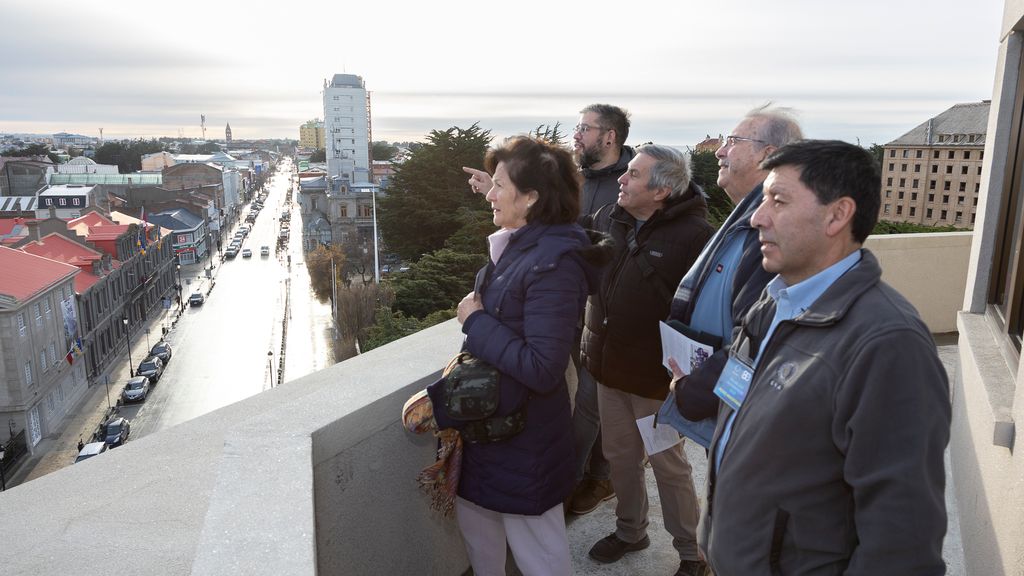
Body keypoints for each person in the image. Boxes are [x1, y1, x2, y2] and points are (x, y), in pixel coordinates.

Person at [699, 140, 951, 575]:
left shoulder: (888, 343)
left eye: (778, 201)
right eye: (762, 200)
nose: (757, 217)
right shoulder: (775, 301)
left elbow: (902, 541)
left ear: (837, 215)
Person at [431, 136, 609, 575]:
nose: (490, 195)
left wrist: (475, 321)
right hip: (492, 435)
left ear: (531, 197)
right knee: (483, 549)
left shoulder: (554, 265)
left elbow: (544, 367)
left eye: (499, 186)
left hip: (525, 446)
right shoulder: (524, 246)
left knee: (541, 560)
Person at [465, 103, 634, 515]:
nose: (577, 134)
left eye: (585, 128)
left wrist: (477, 323)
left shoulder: (628, 185)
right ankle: (578, 480)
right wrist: (500, 189)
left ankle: (593, 480)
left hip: (607, 317)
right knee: (585, 405)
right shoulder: (577, 179)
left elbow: (593, 248)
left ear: (609, 136)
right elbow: (548, 221)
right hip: (571, 315)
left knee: (594, 407)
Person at [579, 145, 712, 576]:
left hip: (657, 382)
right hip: (609, 369)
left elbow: (705, 313)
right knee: (620, 458)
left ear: (660, 191)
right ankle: (631, 530)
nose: (621, 178)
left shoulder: (696, 237)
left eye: (633, 174)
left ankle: (692, 553)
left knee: (668, 467)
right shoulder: (609, 219)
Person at [665, 105, 803, 427]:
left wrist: (695, 393)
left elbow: (754, 343)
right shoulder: (743, 221)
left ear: (768, 155)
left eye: (732, 141)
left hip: (738, 419)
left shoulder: (766, 233)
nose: (720, 152)